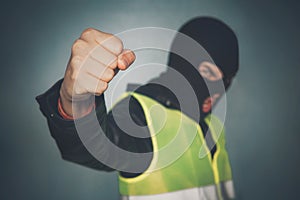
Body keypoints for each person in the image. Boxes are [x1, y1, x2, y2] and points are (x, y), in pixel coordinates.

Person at [36, 17, 239, 200]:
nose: (219, 88)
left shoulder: (213, 126)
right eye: (209, 73)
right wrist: (75, 101)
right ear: (183, 64)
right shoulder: (143, 114)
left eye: (227, 79)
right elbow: (92, 148)